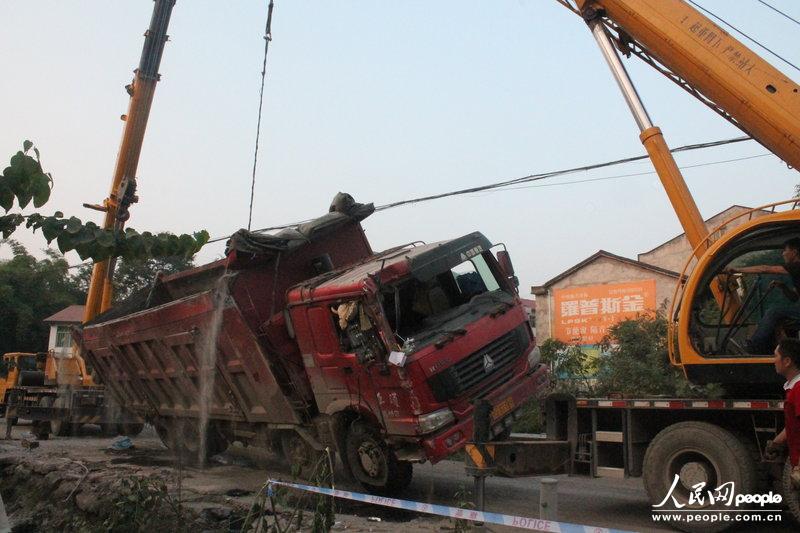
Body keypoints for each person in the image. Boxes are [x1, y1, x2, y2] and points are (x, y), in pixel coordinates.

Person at [729, 238, 800, 354]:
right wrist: (783, 287)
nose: (783, 254)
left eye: (785, 250)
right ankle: (780, 350)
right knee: (776, 315)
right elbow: (794, 298)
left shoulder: (796, 266)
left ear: (795, 252)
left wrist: (737, 269)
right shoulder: (796, 271)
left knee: (774, 312)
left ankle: (753, 346)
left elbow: (765, 269)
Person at [764, 338, 800, 489]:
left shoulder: (798, 391)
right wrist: (777, 442)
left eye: (775, 356)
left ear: (787, 361)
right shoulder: (793, 389)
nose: (773, 361)